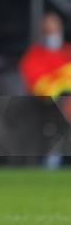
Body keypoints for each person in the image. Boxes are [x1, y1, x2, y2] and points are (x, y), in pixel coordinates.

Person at [19, 12, 71, 168]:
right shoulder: (33, 57)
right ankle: (53, 157)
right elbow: (39, 87)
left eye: (55, 30)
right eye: (49, 30)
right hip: (47, 105)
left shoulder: (68, 53)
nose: (53, 34)